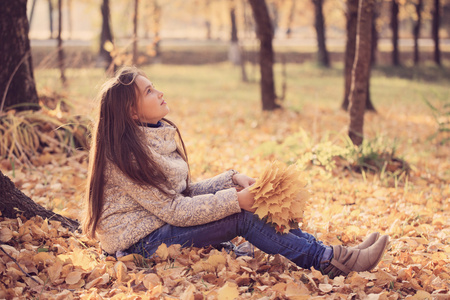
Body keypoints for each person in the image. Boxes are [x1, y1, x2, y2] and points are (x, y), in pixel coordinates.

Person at [81, 67, 389, 278]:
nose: (160, 92)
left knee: (253, 203)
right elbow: (176, 210)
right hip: (142, 244)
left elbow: (182, 194)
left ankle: (332, 253)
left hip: (159, 226)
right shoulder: (126, 155)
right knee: (240, 215)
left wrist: (231, 180)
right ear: (132, 112)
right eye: (149, 91)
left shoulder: (151, 136)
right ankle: (329, 260)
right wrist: (236, 201)